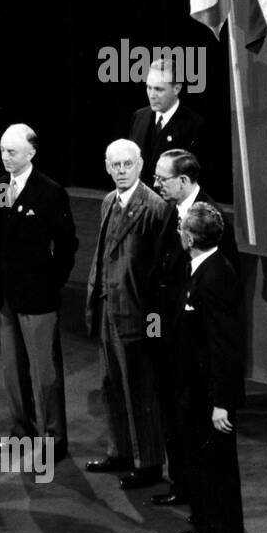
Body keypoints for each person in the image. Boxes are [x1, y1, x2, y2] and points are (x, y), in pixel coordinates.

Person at [150, 147, 239, 508]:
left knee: (197, 430)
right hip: (172, 339)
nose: (155, 183)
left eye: (162, 178)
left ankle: (200, 500)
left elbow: (221, 294)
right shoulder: (170, 210)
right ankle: (183, 487)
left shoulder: (211, 220)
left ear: (184, 181)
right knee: (175, 418)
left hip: (196, 350)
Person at [84, 139, 175, 488]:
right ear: (107, 166)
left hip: (136, 314)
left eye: (128, 165)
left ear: (139, 165)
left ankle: (148, 462)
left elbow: (160, 272)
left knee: (140, 389)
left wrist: (153, 324)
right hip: (108, 308)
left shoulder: (154, 207)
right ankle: (120, 451)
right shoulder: (108, 201)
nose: (121, 171)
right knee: (111, 386)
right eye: (115, 165)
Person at [0, 124, 77, 460]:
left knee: (45, 374)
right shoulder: (0, 187)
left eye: (12, 152)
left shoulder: (51, 192)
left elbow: (68, 244)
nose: (5, 158)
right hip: (7, 298)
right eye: (1, 151)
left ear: (31, 153)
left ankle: (54, 440)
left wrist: (51, 282)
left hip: (38, 298)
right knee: (12, 371)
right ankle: (21, 432)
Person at [173, 203, 246, 533]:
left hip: (212, 395)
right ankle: (207, 525)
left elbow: (225, 346)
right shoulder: (201, 268)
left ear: (189, 237)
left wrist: (222, 402)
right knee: (201, 462)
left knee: (219, 468)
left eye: (181, 230)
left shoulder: (215, 276)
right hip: (197, 390)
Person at [127, 58, 203, 187]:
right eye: (148, 87)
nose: (152, 95)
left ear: (176, 89)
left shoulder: (195, 126)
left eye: (158, 89)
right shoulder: (139, 117)